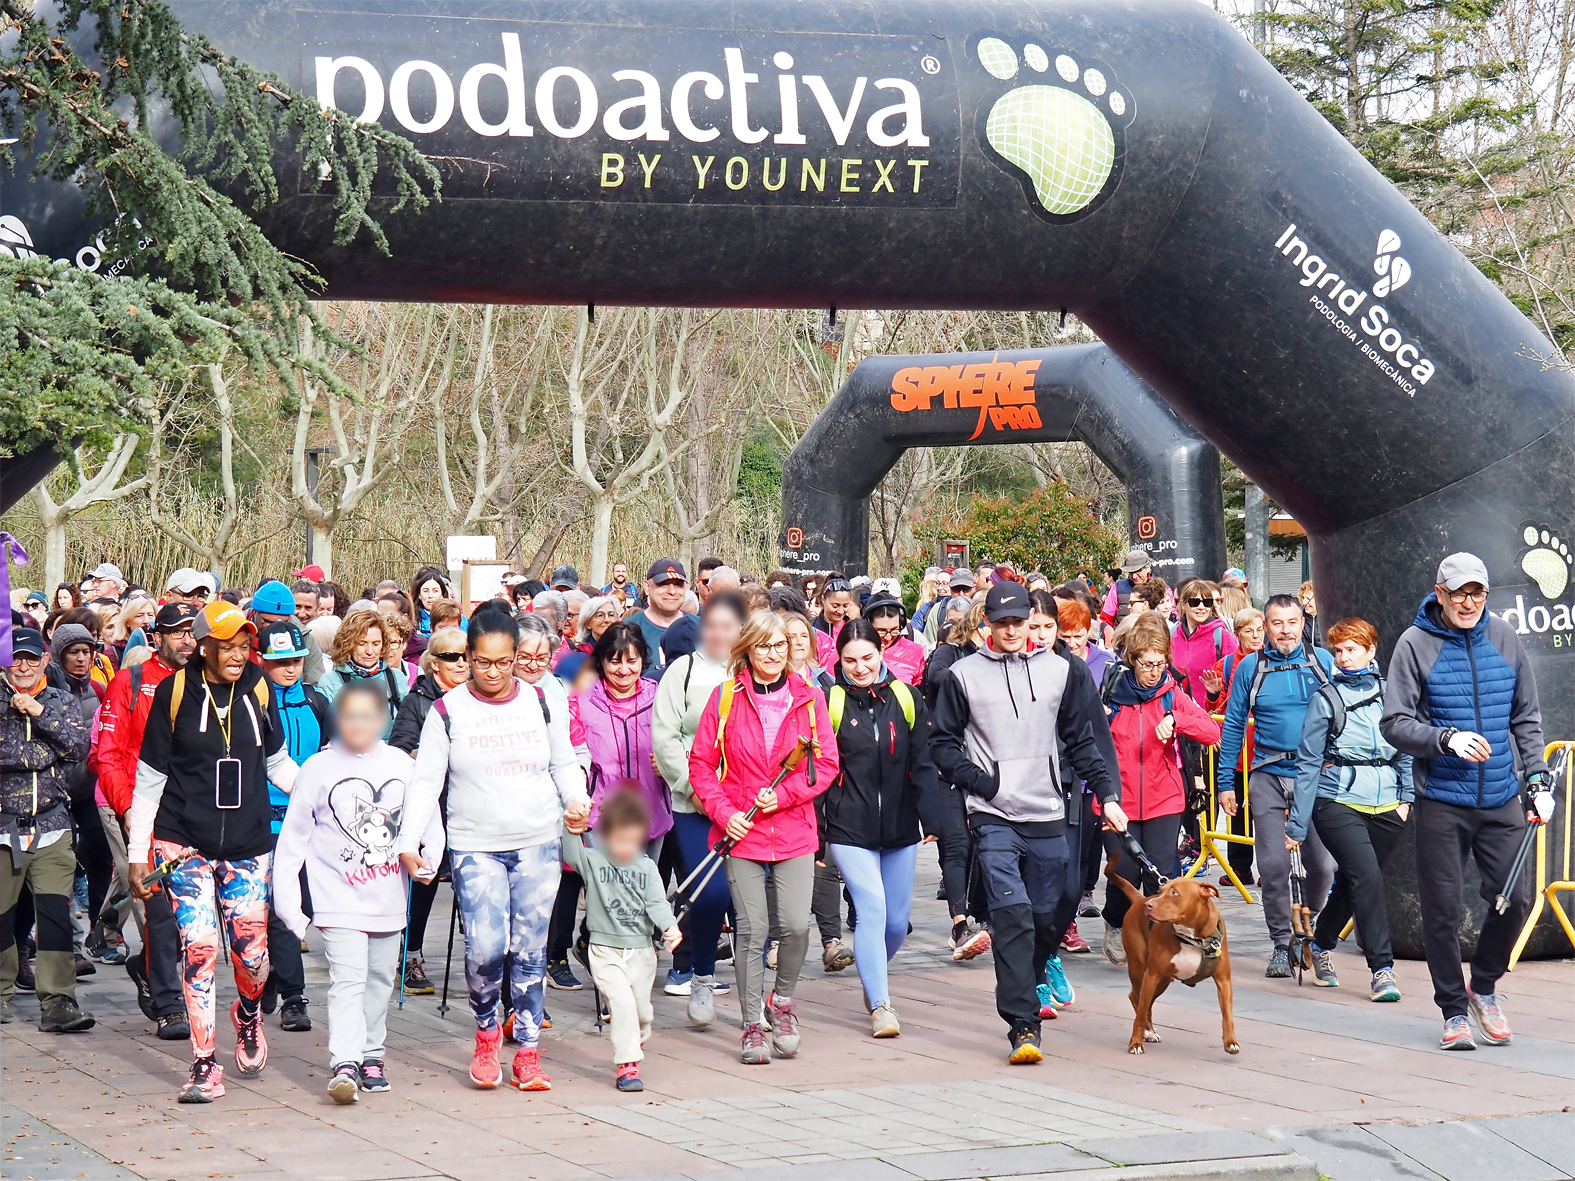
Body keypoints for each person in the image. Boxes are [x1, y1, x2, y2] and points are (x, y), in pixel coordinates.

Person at [396, 604, 590, 1092]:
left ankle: (527, 1048)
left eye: (505, 662)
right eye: (483, 662)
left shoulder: (541, 700)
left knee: (530, 949)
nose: (494, 672)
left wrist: (577, 800)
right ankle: (486, 1031)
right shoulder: (447, 710)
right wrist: (409, 841)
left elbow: (563, 761)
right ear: (468, 656)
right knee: (485, 948)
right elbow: (425, 782)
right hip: (475, 845)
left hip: (537, 840)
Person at [931, 581, 1125, 1065]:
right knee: (1012, 913)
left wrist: (1107, 795)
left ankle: (1033, 969)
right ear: (987, 625)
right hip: (993, 813)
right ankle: (1023, 1024)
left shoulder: (1062, 671)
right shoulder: (961, 676)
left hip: (1047, 810)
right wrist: (985, 784)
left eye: (1018, 621)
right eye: (1002, 623)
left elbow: (1082, 740)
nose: (1012, 630)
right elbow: (942, 745)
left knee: (1047, 914)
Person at [126, 601, 300, 1102]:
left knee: (254, 959)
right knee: (199, 950)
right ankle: (204, 1064)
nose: (239, 655)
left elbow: (277, 763)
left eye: (245, 646)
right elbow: (149, 780)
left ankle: (247, 1015)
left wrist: (323, 796)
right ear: (204, 646)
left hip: (248, 844)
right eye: (228, 647)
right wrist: (138, 853)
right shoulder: (175, 692)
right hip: (182, 842)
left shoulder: (259, 688)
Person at [1381, 552, 1550, 1050]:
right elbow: (1394, 723)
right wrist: (1445, 739)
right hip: (1442, 800)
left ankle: (1485, 988)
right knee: (1442, 911)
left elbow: (1526, 716)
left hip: (1500, 797)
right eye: (1458, 593)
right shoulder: (1414, 644)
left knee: (1515, 899)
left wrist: (1537, 778)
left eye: (1477, 592)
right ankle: (1454, 1011)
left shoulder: (1504, 637)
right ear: (1440, 593)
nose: (1469, 602)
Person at [273, 682, 444, 1103]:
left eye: (368, 716)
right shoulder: (317, 767)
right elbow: (293, 838)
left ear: (383, 719)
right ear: (337, 719)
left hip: (388, 897)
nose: (359, 725)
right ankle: (345, 1061)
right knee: (347, 979)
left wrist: (430, 857)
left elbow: (425, 815)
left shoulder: (401, 763)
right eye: (350, 716)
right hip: (337, 898)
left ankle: (372, 1055)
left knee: (380, 978)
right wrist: (289, 905)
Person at [688, 610, 838, 1064]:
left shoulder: (809, 698)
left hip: (793, 829)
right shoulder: (725, 698)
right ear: (747, 649)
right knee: (753, 930)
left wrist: (785, 796)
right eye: (763, 646)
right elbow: (701, 764)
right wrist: (724, 812)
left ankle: (783, 1002)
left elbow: (826, 765)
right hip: (742, 831)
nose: (772, 654)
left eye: (780, 645)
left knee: (795, 926)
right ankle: (752, 1023)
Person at [821, 619, 937, 1038]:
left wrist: (934, 818)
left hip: (901, 827)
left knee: (895, 924)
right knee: (872, 909)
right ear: (838, 660)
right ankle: (881, 1005)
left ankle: (873, 976)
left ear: (882, 652)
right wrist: (817, 832)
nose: (860, 667)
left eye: (867, 657)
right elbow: (818, 770)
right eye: (850, 660)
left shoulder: (906, 697)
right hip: (848, 826)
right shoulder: (830, 700)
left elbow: (925, 762)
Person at [1286, 617, 1412, 998]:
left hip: (1388, 804)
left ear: (1371, 651)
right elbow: (1308, 763)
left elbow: (1406, 749)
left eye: (1352, 649)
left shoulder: (1393, 694)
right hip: (1336, 800)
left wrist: (1407, 800)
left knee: (1355, 880)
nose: (1343, 657)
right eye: (1338, 650)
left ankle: (1320, 944)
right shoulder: (1325, 699)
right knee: (1368, 878)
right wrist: (1297, 825)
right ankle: (1383, 970)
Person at [1217, 594, 1336, 977]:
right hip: (1267, 773)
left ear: (1303, 623)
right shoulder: (1250, 667)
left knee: (1323, 865)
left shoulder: (1323, 662)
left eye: (1292, 622)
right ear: (1265, 627)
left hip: (1316, 774)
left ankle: (1309, 929)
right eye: (1277, 623)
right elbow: (1233, 725)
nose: (1285, 631)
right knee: (1272, 864)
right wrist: (1225, 782)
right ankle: (1281, 944)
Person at [91, 602, 195, 1039]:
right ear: (157, 637)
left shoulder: (206, 681)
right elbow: (106, 755)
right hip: (141, 810)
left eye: (193, 631)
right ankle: (169, 1003)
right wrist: (128, 808)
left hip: (192, 814)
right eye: (178, 632)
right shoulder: (130, 681)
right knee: (157, 908)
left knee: (190, 914)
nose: (187, 640)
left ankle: (150, 969)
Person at [1100, 614, 1221, 964]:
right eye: (1147, 664)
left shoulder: (1171, 694)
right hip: (1120, 799)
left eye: (1160, 663)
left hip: (1164, 798)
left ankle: (1159, 938)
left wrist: (1177, 720)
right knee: (1126, 872)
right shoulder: (1110, 695)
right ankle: (1115, 921)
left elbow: (1211, 732)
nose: (1154, 671)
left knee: (1160, 873)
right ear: (1132, 659)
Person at [652, 591, 747, 1019]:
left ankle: (756, 998)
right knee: (710, 894)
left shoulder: (751, 669)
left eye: (727, 626)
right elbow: (665, 737)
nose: (718, 634)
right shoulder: (683, 671)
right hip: (693, 804)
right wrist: (694, 789)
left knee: (750, 901)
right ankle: (701, 974)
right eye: (711, 626)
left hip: (746, 806)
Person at [0, 627, 95, 1031]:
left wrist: (39, 714)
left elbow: (79, 747)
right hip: (4, 829)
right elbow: (18, 753)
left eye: (31, 658)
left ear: (44, 661)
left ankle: (58, 1001)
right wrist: (43, 752)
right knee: (2, 915)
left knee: (55, 916)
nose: (23, 666)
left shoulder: (60, 700)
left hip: (53, 825)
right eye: (16, 658)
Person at [562, 789, 681, 1092]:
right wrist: (572, 824)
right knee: (622, 1002)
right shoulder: (594, 861)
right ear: (604, 835)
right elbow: (572, 854)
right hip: (604, 950)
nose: (625, 848)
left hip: (641, 950)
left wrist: (669, 926)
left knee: (640, 1009)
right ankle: (627, 1064)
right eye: (618, 840)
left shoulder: (647, 867)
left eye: (632, 840)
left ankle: (636, 1034)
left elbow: (657, 902)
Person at [256, 620, 333, 1031]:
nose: (290, 668)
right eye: (280, 661)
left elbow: (334, 752)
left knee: (307, 906)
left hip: (312, 823)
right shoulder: (252, 703)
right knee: (281, 912)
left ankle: (272, 972)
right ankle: (294, 998)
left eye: (296, 660)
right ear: (263, 661)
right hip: (267, 824)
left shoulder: (317, 701)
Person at [387, 625, 470, 995]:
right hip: (432, 806)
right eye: (452, 657)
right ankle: (410, 954)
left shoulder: (477, 698)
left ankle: (483, 958)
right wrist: (429, 754)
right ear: (434, 663)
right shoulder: (417, 702)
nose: (462, 663)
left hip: (470, 804)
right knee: (425, 880)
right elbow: (399, 749)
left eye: (466, 655)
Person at [579, 623, 672, 851]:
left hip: (651, 813)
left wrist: (668, 766)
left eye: (632, 661)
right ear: (601, 661)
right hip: (601, 818)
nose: (624, 670)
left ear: (642, 660)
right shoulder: (582, 702)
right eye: (615, 662)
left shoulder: (660, 698)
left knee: (645, 874)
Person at [1201, 607, 1265, 889]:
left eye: (1259, 630)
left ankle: (1269, 868)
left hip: (1265, 752)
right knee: (1237, 811)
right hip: (1237, 753)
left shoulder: (1274, 661)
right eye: (1249, 631)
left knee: (1266, 814)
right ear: (1237, 634)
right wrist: (1213, 693)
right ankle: (1240, 867)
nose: (1255, 636)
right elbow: (1214, 709)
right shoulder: (1225, 665)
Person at [318, 609, 409, 739]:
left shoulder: (396, 678)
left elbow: (407, 727)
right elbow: (331, 731)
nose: (370, 651)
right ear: (347, 644)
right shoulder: (330, 681)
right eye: (362, 644)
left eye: (376, 644)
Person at [1171, 580, 1237, 708]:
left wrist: (1214, 696)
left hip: (1210, 714)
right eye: (1195, 602)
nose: (1201, 607)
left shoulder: (1223, 637)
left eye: (1207, 603)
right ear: (1183, 605)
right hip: (1176, 713)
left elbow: (1236, 680)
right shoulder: (1171, 634)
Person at [250, 579, 330, 684]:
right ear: (255, 612)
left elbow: (315, 682)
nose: (276, 629)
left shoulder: (304, 639)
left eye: (284, 622)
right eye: (268, 622)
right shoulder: (238, 632)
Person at [862, 592, 925, 687]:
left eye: (894, 630)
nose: (888, 637)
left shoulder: (915, 651)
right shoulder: (855, 652)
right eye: (881, 630)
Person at [1100, 550, 1152, 628]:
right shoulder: (1117, 588)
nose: (1134, 576)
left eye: (1138, 571)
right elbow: (1106, 620)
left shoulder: (1160, 588)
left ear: (1148, 568)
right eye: (1130, 572)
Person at [410, 566, 455, 637]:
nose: (430, 595)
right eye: (425, 591)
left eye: (435, 591)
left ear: (442, 594)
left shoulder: (457, 618)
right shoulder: (411, 620)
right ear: (419, 595)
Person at [1299, 581, 1320, 650]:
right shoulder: (1299, 617)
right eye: (1303, 598)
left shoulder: (1327, 617)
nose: (1304, 602)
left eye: (1308, 599)